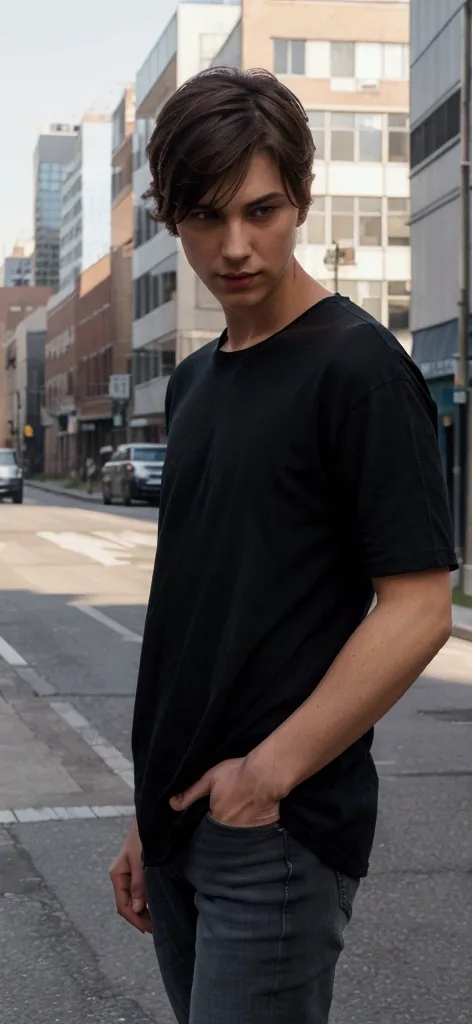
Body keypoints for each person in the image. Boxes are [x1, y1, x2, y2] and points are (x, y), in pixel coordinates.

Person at [110, 68, 456, 1024]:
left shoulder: (359, 372)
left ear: (300, 199)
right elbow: (199, 615)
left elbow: (421, 605)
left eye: (262, 210)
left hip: (276, 830)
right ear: (170, 218)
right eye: (205, 217)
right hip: (185, 817)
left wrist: (266, 779)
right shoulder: (195, 385)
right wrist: (150, 815)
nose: (235, 246)